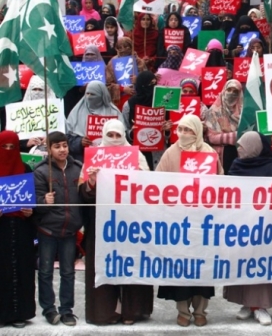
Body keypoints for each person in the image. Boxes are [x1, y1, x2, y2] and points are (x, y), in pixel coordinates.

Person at [79, 120, 152, 325]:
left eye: (117, 135)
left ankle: (132, 311)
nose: (113, 139)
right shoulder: (94, 155)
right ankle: (105, 312)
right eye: (109, 135)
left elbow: (149, 187)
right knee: (104, 263)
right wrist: (92, 180)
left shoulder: (136, 155)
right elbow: (83, 190)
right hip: (103, 222)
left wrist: (139, 175)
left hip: (130, 221)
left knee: (131, 263)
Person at [156, 115, 222, 327]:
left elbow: (221, 181)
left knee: (202, 267)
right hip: (178, 220)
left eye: (188, 130)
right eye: (180, 129)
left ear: (197, 131)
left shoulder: (209, 153)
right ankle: (182, 310)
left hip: (203, 220)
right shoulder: (170, 152)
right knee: (181, 267)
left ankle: (201, 310)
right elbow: (156, 182)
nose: (183, 134)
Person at [224, 132, 272, 326]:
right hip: (241, 225)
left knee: (260, 263)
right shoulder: (236, 165)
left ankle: (260, 306)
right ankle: (246, 304)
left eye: (243, 146)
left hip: (265, 226)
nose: (239, 149)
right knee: (244, 262)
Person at [33, 131, 84, 327]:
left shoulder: (78, 168)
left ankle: (66, 310)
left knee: (68, 272)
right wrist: (43, 201)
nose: (62, 149)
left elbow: (84, 195)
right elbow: (34, 201)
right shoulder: (41, 171)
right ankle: (49, 309)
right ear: (49, 149)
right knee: (45, 271)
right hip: (48, 230)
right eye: (57, 146)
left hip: (70, 231)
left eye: (64, 145)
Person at [0, 131, 36, 328]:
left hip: (21, 229)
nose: (7, 151)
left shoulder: (25, 168)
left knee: (22, 269)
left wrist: (31, 211)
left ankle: (20, 313)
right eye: (3, 147)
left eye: (11, 147)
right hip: (1, 229)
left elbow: (32, 200)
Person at [66, 81, 127, 162]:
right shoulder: (76, 112)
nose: (89, 97)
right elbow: (67, 139)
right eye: (87, 94)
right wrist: (80, 142)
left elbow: (123, 137)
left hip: (110, 159)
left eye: (93, 94)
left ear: (102, 95)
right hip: (82, 161)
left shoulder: (114, 112)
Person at [204, 80, 243, 171]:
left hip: (239, 157)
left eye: (235, 91)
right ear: (224, 90)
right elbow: (211, 138)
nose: (231, 93)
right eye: (229, 90)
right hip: (219, 157)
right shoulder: (213, 112)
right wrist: (235, 134)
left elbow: (247, 138)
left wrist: (227, 131)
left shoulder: (244, 113)